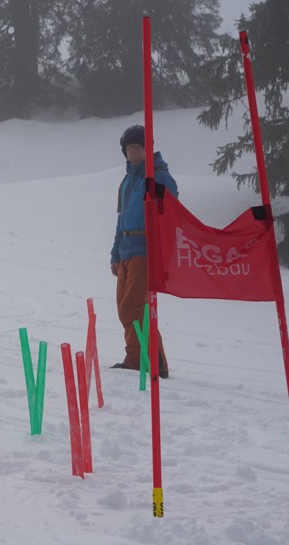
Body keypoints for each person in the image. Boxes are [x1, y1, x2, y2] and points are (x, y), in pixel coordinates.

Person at [110, 125, 176, 379]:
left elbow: (171, 215)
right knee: (125, 308)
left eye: (139, 147)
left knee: (134, 307)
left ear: (148, 149)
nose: (134, 152)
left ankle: (153, 361)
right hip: (127, 249)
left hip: (145, 249)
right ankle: (137, 358)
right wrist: (115, 253)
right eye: (130, 148)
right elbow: (121, 218)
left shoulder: (159, 178)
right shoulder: (128, 180)